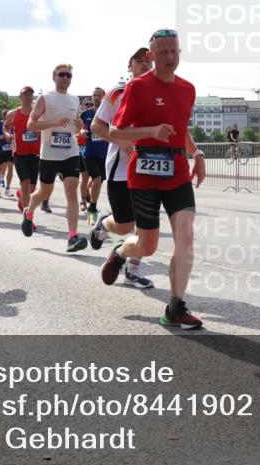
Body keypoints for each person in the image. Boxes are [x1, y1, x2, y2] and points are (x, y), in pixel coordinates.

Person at [100, 30, 207, 329]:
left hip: (176, 172)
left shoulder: (188, 89)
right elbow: (116, 131)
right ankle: (120, 252)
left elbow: (180, 129)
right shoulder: (137, 88)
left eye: (175, 51)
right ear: (151, 56)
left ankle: (175, 306)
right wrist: (149, 131)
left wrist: (196, 153)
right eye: (163, 53)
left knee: (186, 237)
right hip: (144, 173)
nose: (170, 58)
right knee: (147, 246)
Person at [88, 48, 155, 288]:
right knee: (125, 225)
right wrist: (122, 140)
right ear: (130, 67)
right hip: (120, 170)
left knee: (146, 228)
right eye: (139, 62)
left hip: (150, 169)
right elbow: (96, 126)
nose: (144, 66)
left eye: (148, 62)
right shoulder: (118, 92)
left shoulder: (159, 91)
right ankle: (104, 223)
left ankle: (133, 270)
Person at [21, 64, 87, 252]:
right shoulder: (45, 98)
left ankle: (72, 237)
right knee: (45, 192)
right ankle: (29, 212)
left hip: (70, 152)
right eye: (62, 75)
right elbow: (31, 124)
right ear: (54, 77)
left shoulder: (74, 99)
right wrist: (54, 123)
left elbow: (75, 126)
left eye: (69, 75)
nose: (65, 78)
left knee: (71, 192)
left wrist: (80, 126)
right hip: (49, 153)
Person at [5, 86, 40, 213]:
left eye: (30, 94)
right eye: (25, 95)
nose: (28, 97)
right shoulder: (12, 114)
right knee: (25, 184)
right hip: (19, 153)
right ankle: (28, 216)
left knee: (32, 188)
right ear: (20, 97)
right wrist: (7, 134)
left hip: (35, 153)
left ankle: (21, 198)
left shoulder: (38, 113)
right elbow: (6, 127)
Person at [81, 87, 108, 224]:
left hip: (105, 154)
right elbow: (78, 126)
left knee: (99, 181)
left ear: (104, 97)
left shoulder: (109, 114)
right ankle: (92, 209)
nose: (96, 97)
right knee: (97, 180)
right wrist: (80, 131)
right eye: (94, 95)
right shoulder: (86, 114)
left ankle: (87, 190)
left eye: (99, 95)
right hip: (89, 153)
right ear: (92, 97)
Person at [0, 110, 14, 196]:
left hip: (10, 150)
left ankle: (8, 189)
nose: (7, 116)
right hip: (0, 150)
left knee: (10, 168)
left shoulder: (12, 124)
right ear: (2, 115)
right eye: (5, 115)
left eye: (8, 115)